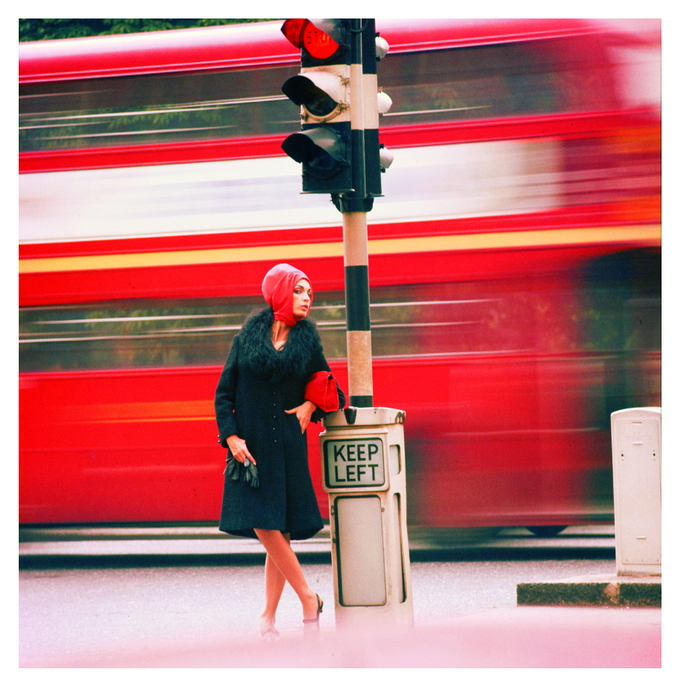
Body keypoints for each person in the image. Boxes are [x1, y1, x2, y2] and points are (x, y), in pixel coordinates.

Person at [214, 263, 345, 638]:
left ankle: (268, 618)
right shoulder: (246, 339)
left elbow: (330, 388)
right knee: (266, 525)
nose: (307, 298)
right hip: (250, 451)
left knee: (277, 532)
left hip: (287, 448)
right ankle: (308, 598)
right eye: (300, 290)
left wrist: (309, 406)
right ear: (280, 293)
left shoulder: (307, 342)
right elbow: (224, 394)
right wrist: (232, 437)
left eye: (309, 292)